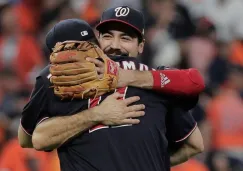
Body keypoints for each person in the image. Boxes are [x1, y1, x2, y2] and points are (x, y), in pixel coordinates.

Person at [18, 18, 203, 171]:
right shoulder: (153, 78)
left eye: (125, 38)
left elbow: (29, 139)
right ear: (98, 42)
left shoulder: (50, 78)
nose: (74, 60)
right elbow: (195, 144)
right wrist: (99, 114)